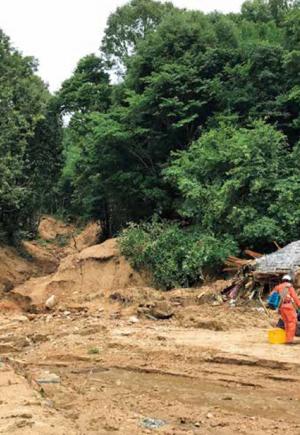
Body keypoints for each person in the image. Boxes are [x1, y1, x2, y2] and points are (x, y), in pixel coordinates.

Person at [271, 274, 300, 344]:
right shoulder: (289, 287)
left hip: (281, 307)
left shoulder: (278, 287)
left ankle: (287, 339)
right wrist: (299, 305)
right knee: (292, 323)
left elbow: (271, 295)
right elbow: (295, 297)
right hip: (288, 306)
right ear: (289, 280)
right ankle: (289, 340)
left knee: (286, 323)